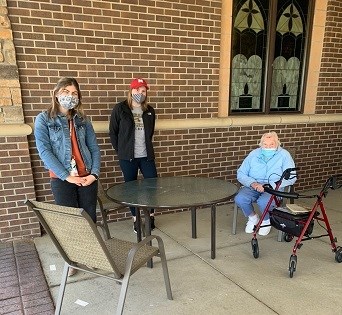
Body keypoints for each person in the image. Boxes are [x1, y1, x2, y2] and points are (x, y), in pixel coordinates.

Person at [34, 77, 101, 276]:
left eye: (73, 93)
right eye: (65, 92)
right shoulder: (44, 119)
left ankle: (89, 255)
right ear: (56, 94)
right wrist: (66, 176)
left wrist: (94, 174)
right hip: (61, 179)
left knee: (89, 218)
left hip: (86, 176)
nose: (69, 96)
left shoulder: (83, 119)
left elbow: (94, 149)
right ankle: (72, 259)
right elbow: (44, 151)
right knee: (69, 220)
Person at [109, 78, 157, 233]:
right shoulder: (120, 109)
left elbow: (149, 133)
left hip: (146, 156)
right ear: (131, 91)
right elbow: (113, 132)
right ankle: (136, 219)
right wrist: (122, 151)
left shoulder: (149, 110)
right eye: (137, 90)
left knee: (153, 186)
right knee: (130, 189)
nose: (140, 93)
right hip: (127, 157)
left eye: (143, 91)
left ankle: (150, 215)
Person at [234, 131, 296, 236]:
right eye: (265, 144)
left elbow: (292, 177)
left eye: (271, 144)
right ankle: (253, 217)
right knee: (240, 198)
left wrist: (271, 185)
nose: (268, 147)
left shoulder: (284, 155)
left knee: (264, 202)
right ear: (261, 144)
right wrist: (253, 183)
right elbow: (241, 173)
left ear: (277, 144)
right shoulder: (254, 154)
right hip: (254, 185)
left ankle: (266, 220)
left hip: (273, 187)